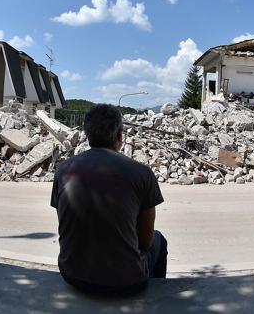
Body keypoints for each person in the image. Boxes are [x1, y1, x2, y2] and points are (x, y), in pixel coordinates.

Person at [50, 104, 167, 296]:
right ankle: (155, 299)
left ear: (87, 134)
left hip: (72, 275)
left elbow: (67, 225)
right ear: (120, 135)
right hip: (127, 282)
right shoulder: (142, 173)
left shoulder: (63, 170)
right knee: (159, 239)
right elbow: (146, 242)